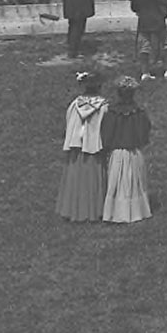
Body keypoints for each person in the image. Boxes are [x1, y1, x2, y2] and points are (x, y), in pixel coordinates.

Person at [56, 69, 108, 222]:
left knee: (76, 179)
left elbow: (69, 123)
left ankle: (74, 209)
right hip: (94, 148)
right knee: (93, 180)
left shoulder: (74, 105)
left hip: (77, 149)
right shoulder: (104, 106)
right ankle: (95, 209)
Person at [101, 77, 152, 223]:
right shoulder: (139, 112)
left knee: (117, 183)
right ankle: (136, 211)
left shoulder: (111, 113)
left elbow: (106, 133)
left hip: (117, 154)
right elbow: (145, 131)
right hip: (134, 152)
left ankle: (116, 212)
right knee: (134, 182)